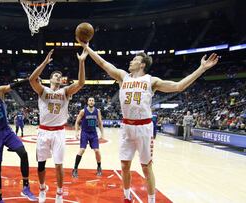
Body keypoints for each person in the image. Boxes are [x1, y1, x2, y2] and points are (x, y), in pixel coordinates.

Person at [78, 38, 219, 203]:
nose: (131, 61)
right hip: (126, 127)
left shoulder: (151, 81)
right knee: (124, 165)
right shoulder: (123, 77)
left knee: (146, 167)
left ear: (142, 64)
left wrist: (201, 68)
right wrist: (87, 47)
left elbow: (178, 86)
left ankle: (151, 200)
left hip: (144, 128)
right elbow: (103, 63)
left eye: (135, 59)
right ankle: (127, 197)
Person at [29, 49, 87, 203]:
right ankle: (42, 188)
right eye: (56, 75)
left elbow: (81, 83)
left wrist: (81, 62)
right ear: (50, 78)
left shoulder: (65, 92)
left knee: (58, 164)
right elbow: (31, 79)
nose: (58, 77)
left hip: (59, 133)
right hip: (43, 132)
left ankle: (59, 193)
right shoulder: (43, 90)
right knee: (41, 164)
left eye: (60, 77)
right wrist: (44, 62)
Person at [0, 79, 37, 203]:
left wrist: (29, 79)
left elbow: (14, 85)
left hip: (6, 131)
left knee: (23, 153)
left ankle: (26, 187)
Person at [72, 97, 104, 178]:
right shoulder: (83, 111)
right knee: (82, 150)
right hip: (85, 133)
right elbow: (77, 122)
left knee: (97, 151)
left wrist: (102, 133)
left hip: (93, 133)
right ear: (87, 102)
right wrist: (76, 132)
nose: (91, 102)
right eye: (90, 100)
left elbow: (100, 123)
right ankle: (75, 169)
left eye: (93, 100)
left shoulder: (97, 111)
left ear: (94, 102)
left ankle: (99, 167)